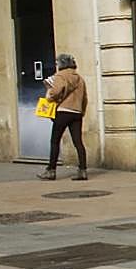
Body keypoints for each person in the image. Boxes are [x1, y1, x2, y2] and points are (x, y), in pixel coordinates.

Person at [37, 53, 88, 181]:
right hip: (77, 112)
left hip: (63, 111)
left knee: (55, 141)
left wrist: (49, 94)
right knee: (78, 142)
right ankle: (82, 170)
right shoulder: (79, 78)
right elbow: (85, 98)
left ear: (61, 64)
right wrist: (81, 112)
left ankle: (51, 171)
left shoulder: (60, 76)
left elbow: (55, 91)